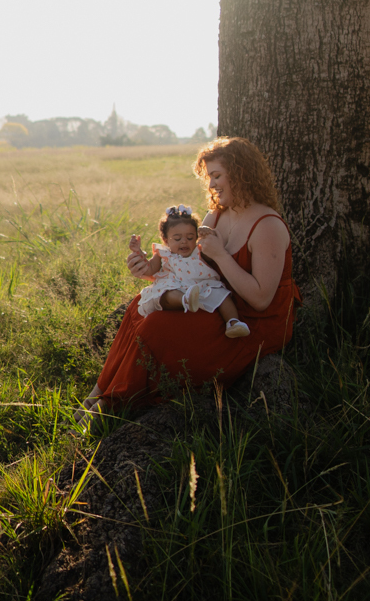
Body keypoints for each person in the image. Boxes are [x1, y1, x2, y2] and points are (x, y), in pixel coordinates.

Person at [77, 136, 300, 416]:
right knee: (138, 307)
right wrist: (147, 271)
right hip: (213, 303)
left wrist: (220, 255)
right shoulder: (216, 217)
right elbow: (187, 271)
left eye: (217, 175)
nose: (211, 185)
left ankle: (112, 406)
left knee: (156, 326)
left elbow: (261, 300)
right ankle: (98, 392)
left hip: (250, 322)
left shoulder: (267, 225)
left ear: (241, 174)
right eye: (208, 178)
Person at [134, 203, 250, 339]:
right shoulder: (163, 253)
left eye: (190, 238)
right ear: (165, 240)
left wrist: (207, 232)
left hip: (201, 285)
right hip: (175, 285)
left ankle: (233, 322)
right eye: (177, 239)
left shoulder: (199, 250)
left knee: (222, 295)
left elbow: (212, 249)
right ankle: (185, 299)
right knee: (165, 294)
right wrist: (139, 255)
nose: (184, 242)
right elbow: (150, 270)